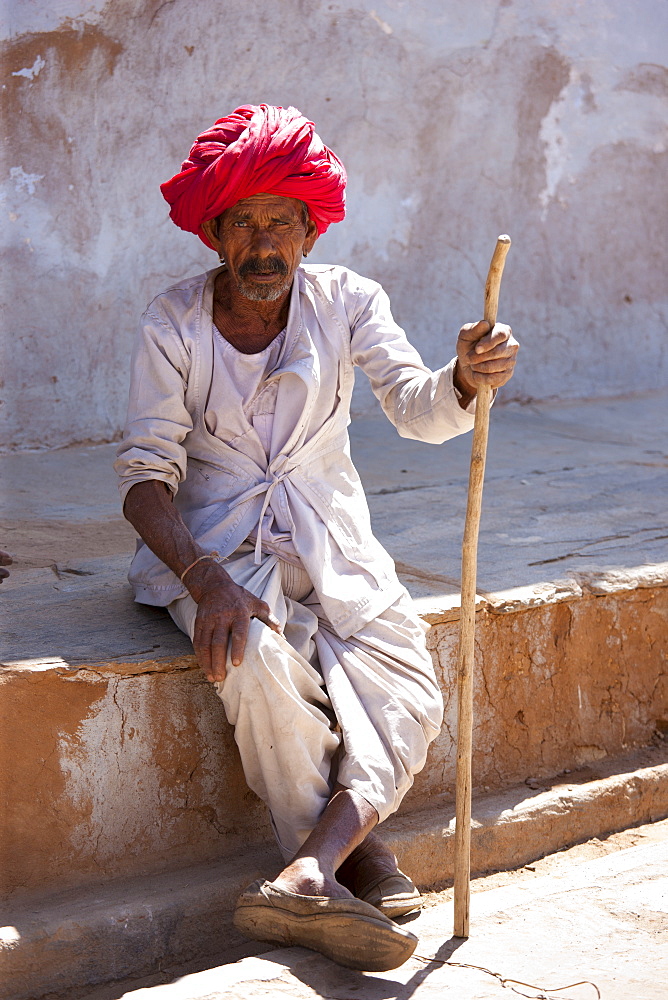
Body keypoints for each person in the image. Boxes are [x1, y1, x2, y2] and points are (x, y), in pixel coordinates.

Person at [115, 104, 518, 971]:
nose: (265, 245)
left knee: (408, 687)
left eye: (282, 223)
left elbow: (416, 406)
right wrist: (204, 577)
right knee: (254, 665)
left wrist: (461, 376)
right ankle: (353, 856)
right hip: (219, 555)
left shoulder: (348, 301)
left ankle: (304, 870)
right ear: (215, 231)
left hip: (335, 548)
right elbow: (144, 478)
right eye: (246, 223)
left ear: (308, 227)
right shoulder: (173, 321)